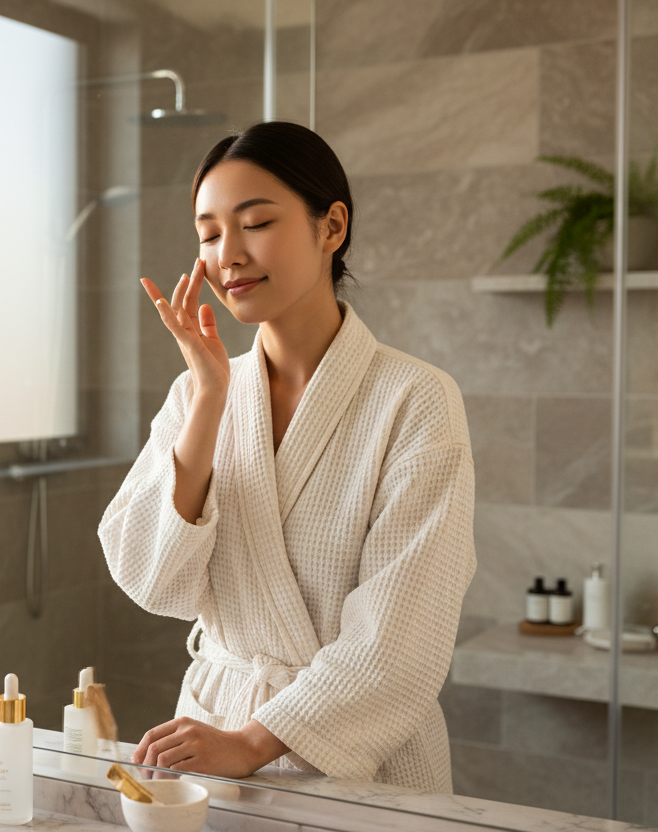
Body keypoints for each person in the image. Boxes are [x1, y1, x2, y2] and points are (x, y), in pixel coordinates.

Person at [99, 121, 475, 793]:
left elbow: (404, 633)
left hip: (356, 753)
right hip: (215, 732)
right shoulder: (196, 393)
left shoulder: (414, 399)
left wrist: (255, 741)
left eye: (255, 223)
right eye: (209, 234)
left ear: (332, 227)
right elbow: (150, 579)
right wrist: (212, 399)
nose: (228, 255)